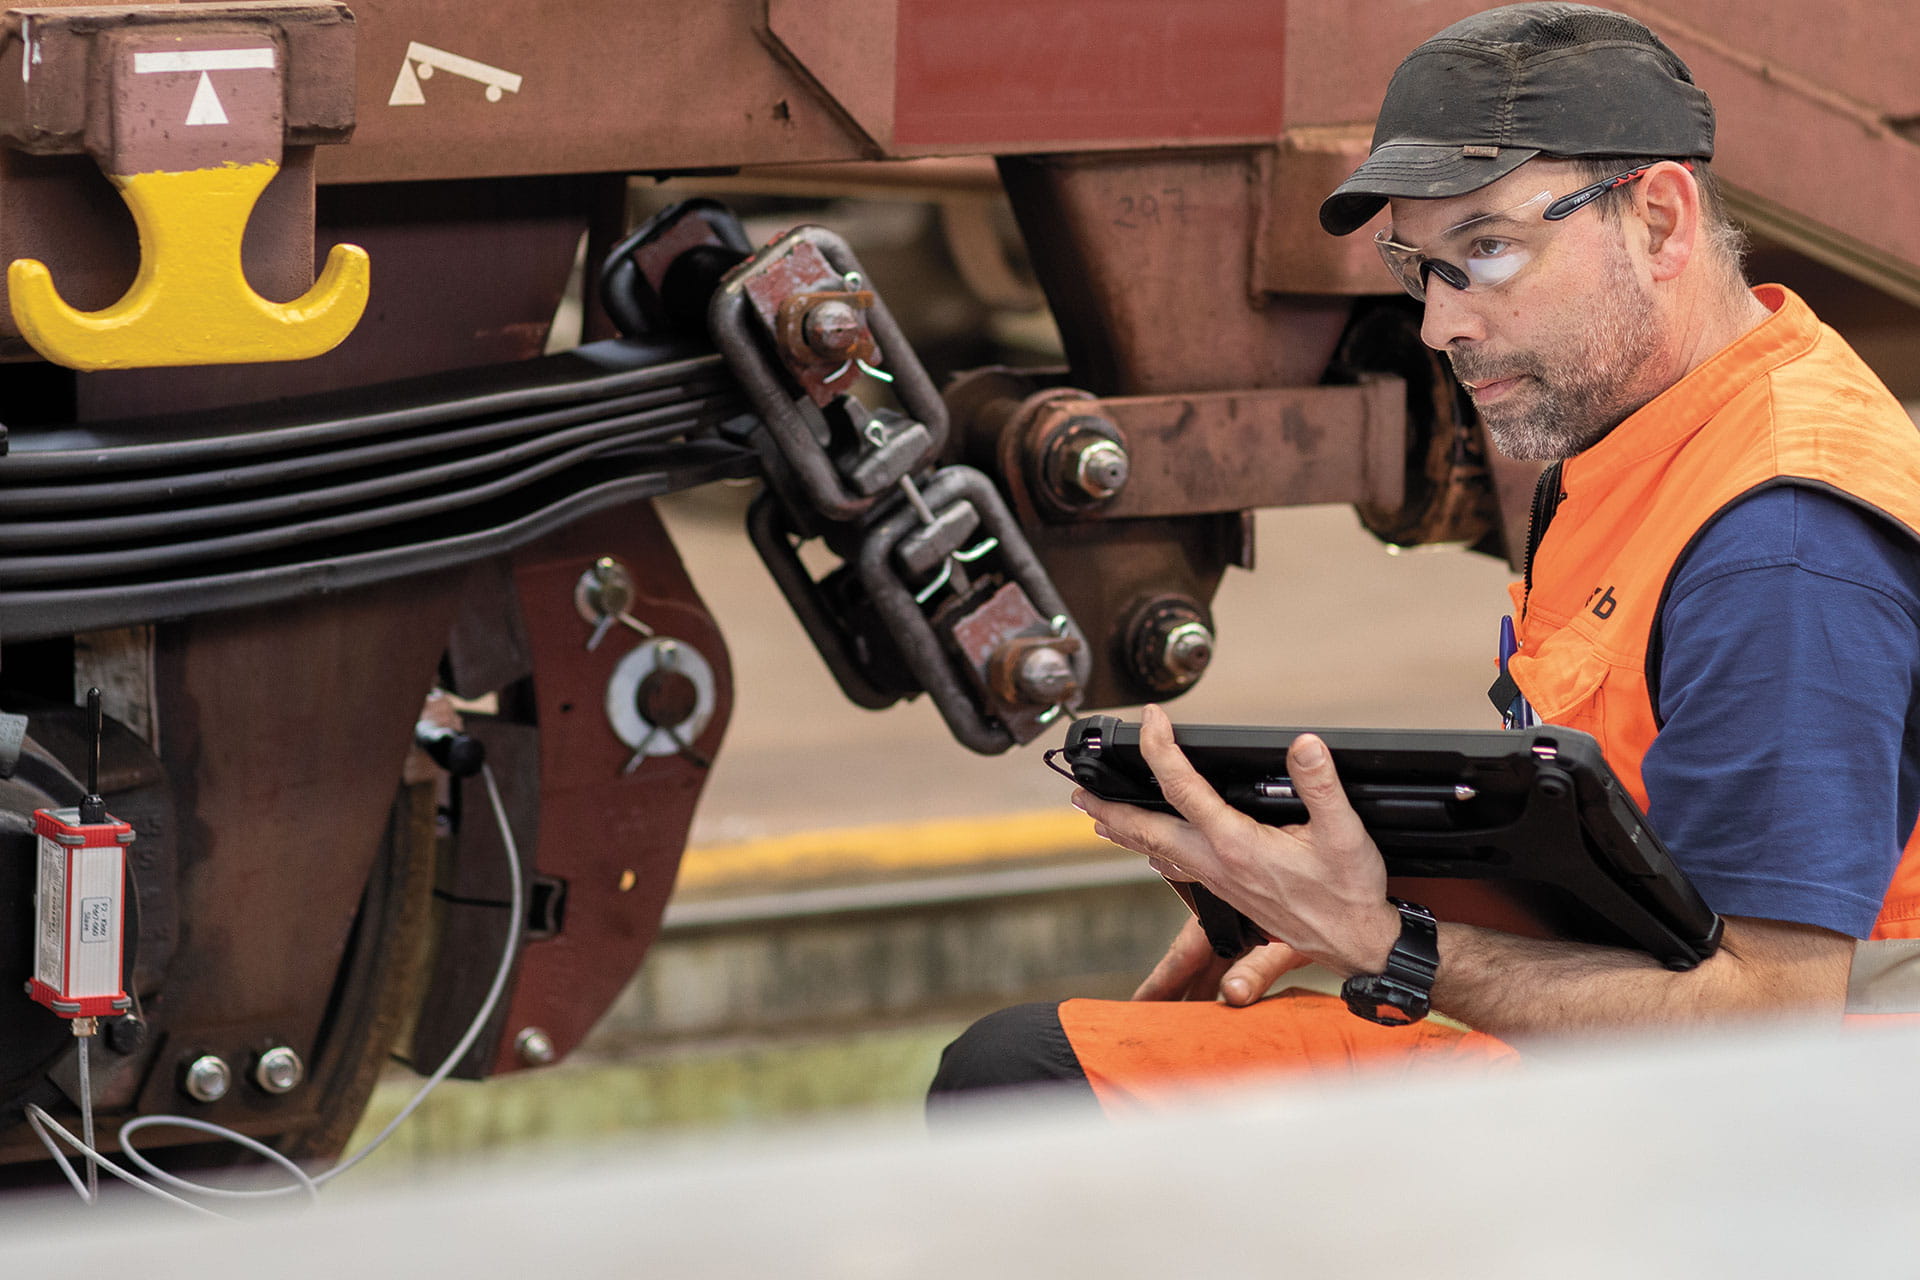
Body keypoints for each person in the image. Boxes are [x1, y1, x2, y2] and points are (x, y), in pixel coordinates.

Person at [928, 1, 1920, 1115]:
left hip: (1813, 1133)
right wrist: (1327, 877)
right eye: (1421, 266)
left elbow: (1766, 1025)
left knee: (1025, 1083)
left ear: (1660, 220)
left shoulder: (1781, 549)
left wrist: (1386, 940)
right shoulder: (1663, 429)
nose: (1442, 323)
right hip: (1684, 1082)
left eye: (1488, 250)